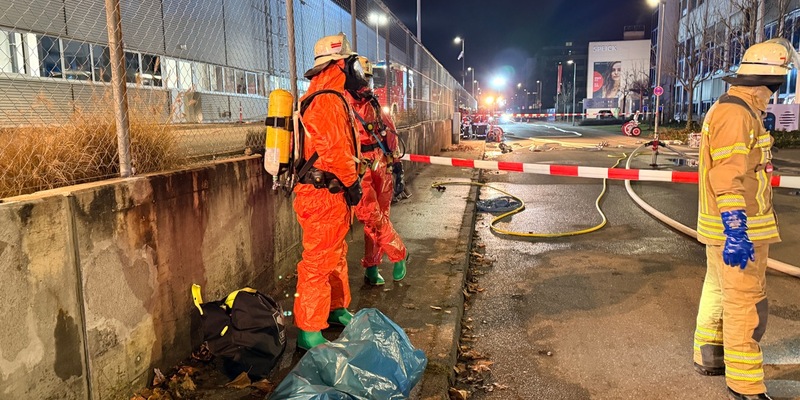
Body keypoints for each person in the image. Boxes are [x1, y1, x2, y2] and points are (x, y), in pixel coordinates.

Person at [692, 39, 790, 400]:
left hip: (724, 228)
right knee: (745, 303)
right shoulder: (737, 114)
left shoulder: (735, 109)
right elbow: (726, 175)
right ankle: (746, 385)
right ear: (770, 80)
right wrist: (736, 229)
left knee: (719, 291)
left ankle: (710, 355)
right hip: (738, 231)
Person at [292, 33, 365, 350]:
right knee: (319, 262)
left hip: (329, 197)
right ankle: (309, 330)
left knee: (335, 257)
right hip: (323, 196)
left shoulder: (330, 96)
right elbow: (335, 154)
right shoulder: (326, 101)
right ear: (341, 64)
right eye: (353, 63)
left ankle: (335, 310)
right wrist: (353, 184)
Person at [345, 56, 409, 286]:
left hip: (379, 164)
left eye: (369, 79)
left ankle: (372, 268)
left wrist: (396, 167)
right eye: (365, 78)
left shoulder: (372, 103)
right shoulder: (341, 105)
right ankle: (398, 252)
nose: (367, 84)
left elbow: (389, 132)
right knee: (371, 216)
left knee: (381, 216)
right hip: (359, 166)